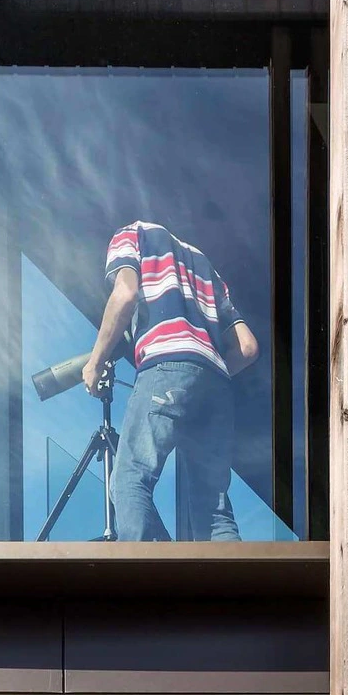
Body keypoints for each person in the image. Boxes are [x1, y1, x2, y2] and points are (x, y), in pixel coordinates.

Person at [83, 218, 260, 542]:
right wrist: (203, 373)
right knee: (215, 510)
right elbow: (248, 348)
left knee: (129, 479)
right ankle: (235, 590)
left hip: (164, 363)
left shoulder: (131, 235)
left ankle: (134, 581)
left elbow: (125, 294)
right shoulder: (205, 267)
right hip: (217, 383)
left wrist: (95, 362)